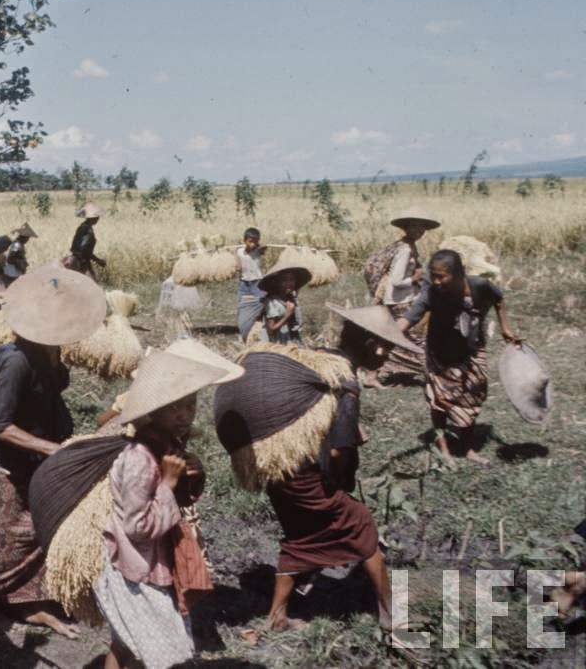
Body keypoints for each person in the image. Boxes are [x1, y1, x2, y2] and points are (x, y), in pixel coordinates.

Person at [214, 304, 418, 644]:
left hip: (276, 463)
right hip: (301, 472)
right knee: (361, 523)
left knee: (300, 535)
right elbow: (339, 450)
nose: (389, 357)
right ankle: (391, 618)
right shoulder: (346, 383)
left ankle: (277, 616)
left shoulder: (319, 358)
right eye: (389, 349)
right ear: (374, 347)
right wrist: (342, 479)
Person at [0, 263, 107, 638]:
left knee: (37, 530)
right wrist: (52, 449)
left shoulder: (51, 354)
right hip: (4, 464)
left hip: (36, 458)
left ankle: (30, 602)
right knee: (8, 536)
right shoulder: (16, 361)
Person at [95, 349, 231, 669]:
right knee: (167, 650)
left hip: (149, 561)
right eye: (174, 408)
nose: (185, 414)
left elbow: (179, 503)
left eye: (191, 405)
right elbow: (137, 527)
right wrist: (168, 484)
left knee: (127, 640)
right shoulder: (138, 459)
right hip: (136, 568)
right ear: (154, 411)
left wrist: (192, 477)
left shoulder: (167, 447)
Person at [398, 249, 521, 466]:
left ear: (458, 273)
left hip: (471, 350)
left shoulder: (480, 286)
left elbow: (499, 298)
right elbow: (410, 317)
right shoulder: (432, 293)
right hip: (440, 354)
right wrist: (387, 333)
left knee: (472, 397)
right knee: (440, 402)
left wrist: (505, 328)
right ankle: (443, 447)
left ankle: (467, 448)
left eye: (441, 276)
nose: (436, 281)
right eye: (432, 275)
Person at [361, 209, 437, 389]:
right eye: (414, 226)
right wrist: (415, 279)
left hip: (394, 300)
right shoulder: (404, 249)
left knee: (387, 339)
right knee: (417, 339)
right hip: (399, 301)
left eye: (421, 227)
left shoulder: (406, 245)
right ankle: (433, 378)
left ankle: (371, 376)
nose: (418, 230)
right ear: (406, 228)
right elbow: (396, 281)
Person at [259, 263, 310, 344]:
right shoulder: (272, 302)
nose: (289, 283)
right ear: (277, 283)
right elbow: (270, 330)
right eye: (284, 280)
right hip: (275, 342)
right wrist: (287, 315)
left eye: (292, 280)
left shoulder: (290, 298)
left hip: (289, 338)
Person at [236, 227, 266, 342]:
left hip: (257, 282)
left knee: (261, 304)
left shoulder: (258, 250)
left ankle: (259, 329)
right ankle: (244, 329)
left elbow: (264, 247)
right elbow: (238, 265)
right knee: (241, 304)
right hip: (244, 283)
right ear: (244, 240)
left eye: (255, 241)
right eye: (250, 241)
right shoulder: (239, 251)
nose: (253, 244)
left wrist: (259, 246)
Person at [67, 203, 106, 279]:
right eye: (97, 217)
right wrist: (98, 261)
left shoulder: (81, 226)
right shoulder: (89, 231)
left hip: (74, 258)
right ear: (93, 218)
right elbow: (84, 249)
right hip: (82, 262)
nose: (98, 219)